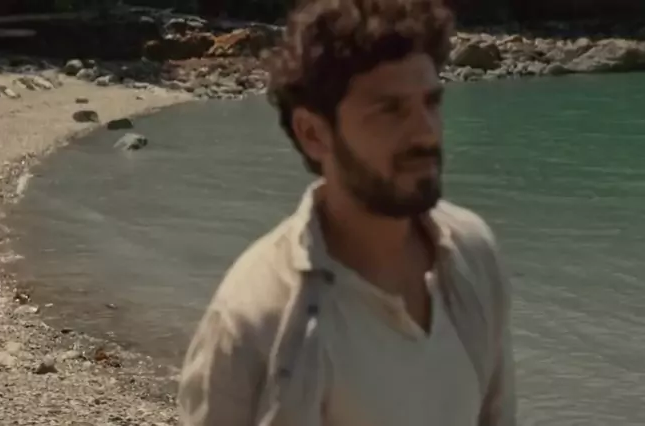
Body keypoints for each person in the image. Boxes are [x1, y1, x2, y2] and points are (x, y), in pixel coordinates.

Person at [176, 0, 517, 425]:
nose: (426, 132)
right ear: (313, 133)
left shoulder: (472, 257)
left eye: (431, 103)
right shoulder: (254, 319)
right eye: (390, 110)